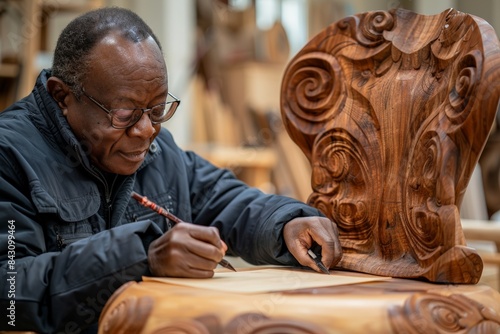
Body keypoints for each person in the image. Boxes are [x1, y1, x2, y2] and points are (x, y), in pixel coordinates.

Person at [0, 7, 342, 333]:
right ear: (62, 96)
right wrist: (141, 255)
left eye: (158, 109)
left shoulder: (155, 151)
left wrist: (286, 223)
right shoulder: (9, 154)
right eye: (124, 114)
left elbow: (220, 197)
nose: (147, 130)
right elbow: (10, 294)